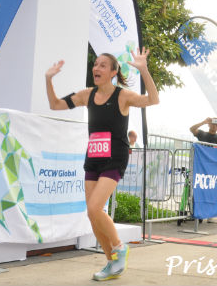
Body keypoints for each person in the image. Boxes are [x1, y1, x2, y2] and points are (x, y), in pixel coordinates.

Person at [45, 48, 159, 281]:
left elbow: (153, 100)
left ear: (113, 72)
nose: (96, 68)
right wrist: (48, 79)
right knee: (92, 215)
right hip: (93, 158)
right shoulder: (87, 95)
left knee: (94, 208)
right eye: (95, 64)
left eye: (102, 65)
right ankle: (111, 262)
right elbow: (55, 105)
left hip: (115, 157)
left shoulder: (123, 96)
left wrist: (144, 70)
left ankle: (119, 247)